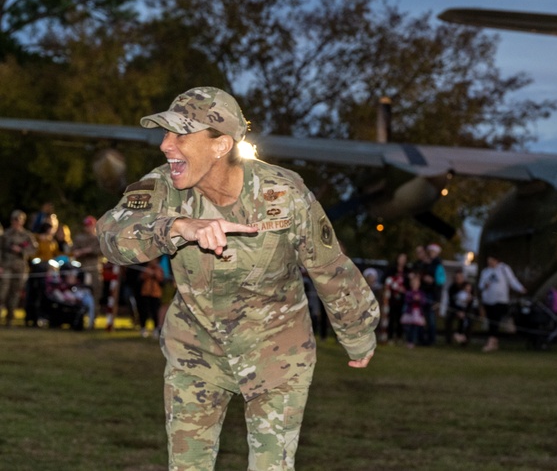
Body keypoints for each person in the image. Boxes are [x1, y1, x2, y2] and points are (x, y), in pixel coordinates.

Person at [96, 86, 379, 470]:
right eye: (165, 133)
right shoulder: (162, 187)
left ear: (221, 144)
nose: (165, 145)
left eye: (181, 135)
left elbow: (329, 265)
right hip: (195, 352)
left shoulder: (284, 193)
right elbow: (112, 235)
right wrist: (177, 225)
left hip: (276, 352)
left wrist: (357, 333)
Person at [477, 255, 525, 352]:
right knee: (491, 320)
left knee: (496, 318)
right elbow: (480, 285)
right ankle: (494, 341)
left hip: (500, 300)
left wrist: (520, 288)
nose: (490, 263)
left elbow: (512, 280)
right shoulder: (485, 272)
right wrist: (484, 286)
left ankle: (491, 341)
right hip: (488, 300)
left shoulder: (504, 269)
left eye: (491, 260)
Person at [0, 210, 37, 326]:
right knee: (3, 291)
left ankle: (10, 318)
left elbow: (34, 249)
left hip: (20, 267)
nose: (16, 222)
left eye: (18, 220)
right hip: (6, 266)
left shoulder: (27, 235)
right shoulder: (5, 235)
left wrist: (21, 250)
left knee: (15, 292)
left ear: (22, 221)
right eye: (14, 219)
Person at [382, 252, 409, 344]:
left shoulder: (407, 271)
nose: (402, 260)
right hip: (391, 298)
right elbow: (385, 281)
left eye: (404, 259)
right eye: (401, 258)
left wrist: (404, 289)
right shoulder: (391, 269)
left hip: (402, 298)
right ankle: (389, 336)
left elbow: (409, 284)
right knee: (391, 317)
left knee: (400, 318)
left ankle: (399, 336)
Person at [400, 272, 426, 349]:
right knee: (409, 328)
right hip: (410, 313)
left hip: (417, 313)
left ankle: (413, 341)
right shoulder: (409, 293)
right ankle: (408, 340)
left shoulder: (421, 293)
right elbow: (407, 301)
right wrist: (413, 299)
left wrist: (419, 299)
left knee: (415, 328)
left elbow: (423, 302)